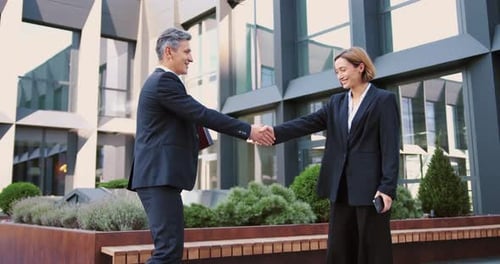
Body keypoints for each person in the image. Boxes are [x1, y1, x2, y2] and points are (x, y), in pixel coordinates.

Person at [127, 27, 274, 264]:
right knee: (167, 252)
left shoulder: (162, 83)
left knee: (169, 250)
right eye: (187, 51)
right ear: (168, 51)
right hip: (158, 177)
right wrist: (249, 130)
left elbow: (189, 121)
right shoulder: (163, 82)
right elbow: (202, 114)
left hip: (159, 178)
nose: (191, 58)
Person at [265, 47, 400, 264]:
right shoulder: (336, 102)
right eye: (337, 72)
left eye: (343, 70)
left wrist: (387, 188)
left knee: (373, 249)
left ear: (361, 67)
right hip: (340, 187)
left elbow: (390, 147)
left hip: (370, 188)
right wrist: (274, 133)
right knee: (340, 248)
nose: (340, 76)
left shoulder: (383, 100)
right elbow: (307, 123)